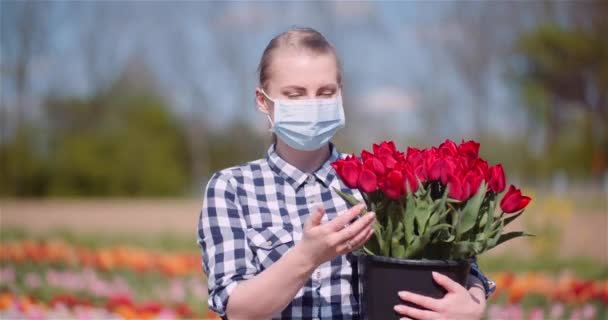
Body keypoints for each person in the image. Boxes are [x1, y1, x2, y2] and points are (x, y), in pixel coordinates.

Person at [197, 27, 495, 320]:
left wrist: (473, 301)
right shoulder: (232, 188)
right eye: (295, 94)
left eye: (325, 92)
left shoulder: (376, 178)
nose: (312, 105)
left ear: (340, 94)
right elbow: (236, 308)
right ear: (263, 101)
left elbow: (454, 258)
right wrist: (307, 257)